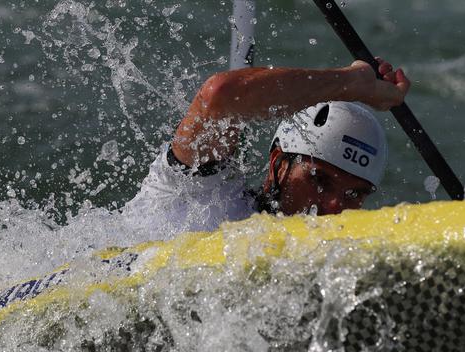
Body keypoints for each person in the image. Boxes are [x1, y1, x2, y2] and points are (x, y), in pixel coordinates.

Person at [124, 59, 410, 239]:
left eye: (353, 194)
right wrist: (354, 84)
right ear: (278, 164)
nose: (335, 207)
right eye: (319, 180)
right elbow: (221, 96)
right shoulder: (203, 197)